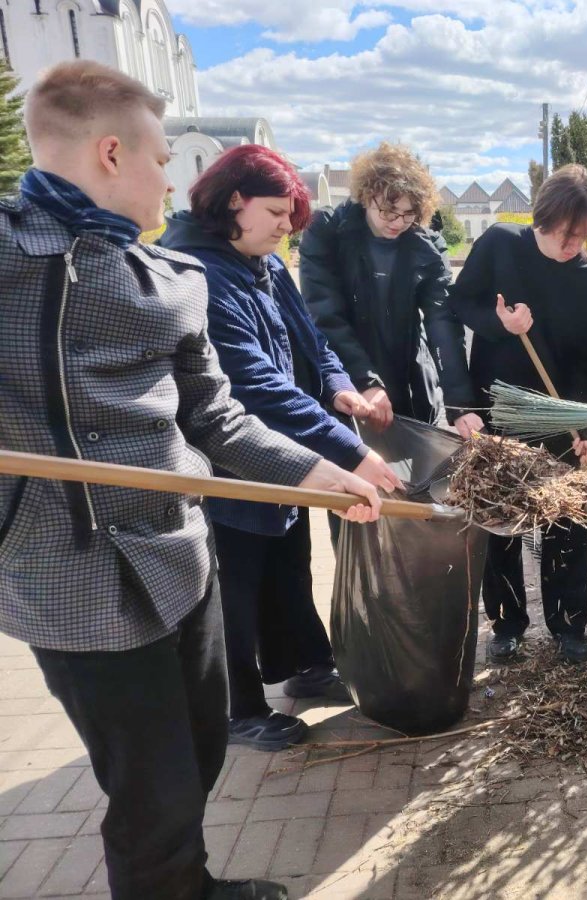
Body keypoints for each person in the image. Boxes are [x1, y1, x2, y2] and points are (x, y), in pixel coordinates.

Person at [0, 61, 380, 900]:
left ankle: (190, 881)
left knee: (202, 751)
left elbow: (221, 420)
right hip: (66, 578)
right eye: (160, 159)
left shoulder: (172, 282)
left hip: (179, 556)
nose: (171, 181)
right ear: (110, 153)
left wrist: (327, 472)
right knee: (151, 786)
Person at [161, 145, 402, 752]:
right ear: (232, 201)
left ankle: (305, 665)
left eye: (291, 216)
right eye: (275, 212)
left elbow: (311, 339)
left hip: (285, 453)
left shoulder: (262, 261)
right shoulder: (199, 273)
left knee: (289, 561)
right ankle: (237, 707)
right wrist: (350, 452)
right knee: (236, 584)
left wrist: (340, 386)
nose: (285, 227)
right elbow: (255, 385)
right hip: (230, 461)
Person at [448, 164, 587, 664]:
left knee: (566, 520)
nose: (574, 246)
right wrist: (498, 322)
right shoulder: (499, 245)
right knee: (499, 517)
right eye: (567, 235)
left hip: (558, 415)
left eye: (583, 237)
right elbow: (460, 303)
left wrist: (584, 425)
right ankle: (507, 625)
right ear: (543, 219)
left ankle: (569, 627)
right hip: (495, 410)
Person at [299, 142, 481, 438]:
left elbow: (442, 321)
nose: (398, 222)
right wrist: (365, 381)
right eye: (388, 210)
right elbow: (325, 315)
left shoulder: (427, 246)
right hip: (345, 378)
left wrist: (461, 404)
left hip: (409, 378)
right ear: (366, 196)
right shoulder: (327, 232)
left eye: (409, 214)